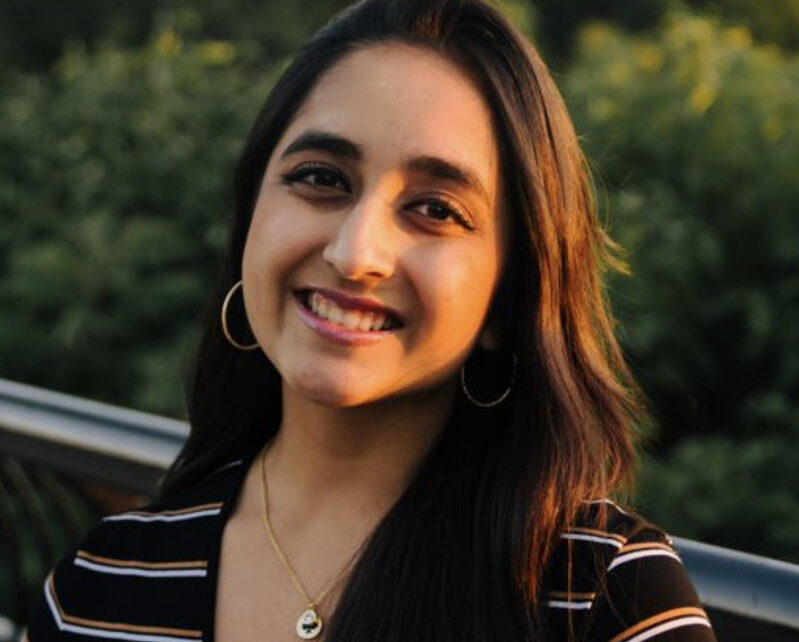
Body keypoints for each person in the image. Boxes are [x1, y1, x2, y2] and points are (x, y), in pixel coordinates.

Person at [25, 0, 718, 640]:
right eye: (323, 178)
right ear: (250, 217)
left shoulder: (600, 598)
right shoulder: (98, 589)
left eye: (436, 210)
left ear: (509, 295)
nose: (355, 253)